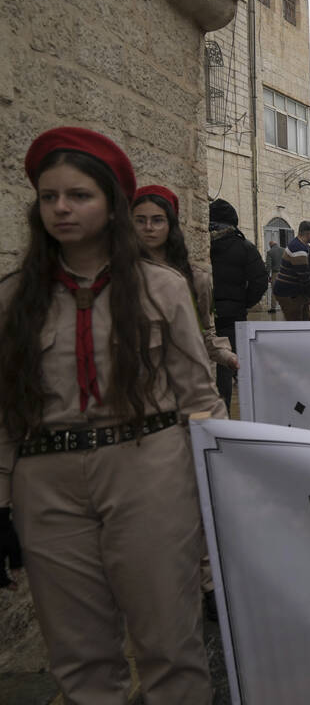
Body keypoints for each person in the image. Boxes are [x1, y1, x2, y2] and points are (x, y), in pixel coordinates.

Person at [0, 127, 224, 703]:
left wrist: (214, 482)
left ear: (111, 205)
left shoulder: (162, 289)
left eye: (79, 195)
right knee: (79, 659)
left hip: (148, 468)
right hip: (45, 482)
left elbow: (199, 397)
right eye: (50, 197)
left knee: (169, 647)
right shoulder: (13, 297)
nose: (62, 208)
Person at [133, 185, 238, 371]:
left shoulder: (196, 279)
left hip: (178, 379)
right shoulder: (117, 274)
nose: (148, 227)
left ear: (170, 225)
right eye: (140, 220)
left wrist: (224, 354)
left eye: (157, 220)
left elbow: (205, 330)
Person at [208, 198, 267, 409]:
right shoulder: (244, 247)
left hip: (205, 316)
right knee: (231, 362)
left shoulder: (201, 244)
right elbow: (260, 280)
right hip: (233, 316)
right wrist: (245, 302)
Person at [272, 220, 310, 320]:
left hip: (295, 293)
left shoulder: (303, 246)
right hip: (289, 293)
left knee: (305, 321)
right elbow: (304, 276)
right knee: (295, 323)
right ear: (308, 233)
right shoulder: (298, 248)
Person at [265, 239, 284, 312]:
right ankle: (284, 306)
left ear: (270, 246)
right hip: (284, 273)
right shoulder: (284, 250)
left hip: (275, 274)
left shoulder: (270, 252)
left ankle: (273, 308)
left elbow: (268, 266)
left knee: (274, 291)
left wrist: (267, 276)